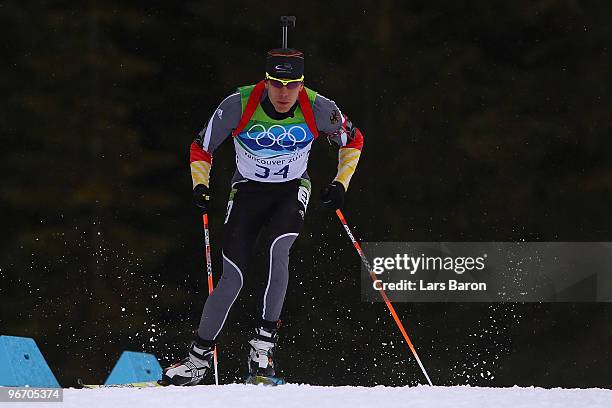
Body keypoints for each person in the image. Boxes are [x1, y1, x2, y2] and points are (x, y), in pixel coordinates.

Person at [162, 47, 364, 386]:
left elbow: (353, 141)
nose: (284, 93)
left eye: (292, 84)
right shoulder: (238, 104)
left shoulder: (319, 108)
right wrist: (200, 185)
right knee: (234, 276)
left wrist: (340, 183)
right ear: (266, 80)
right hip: (246, 193)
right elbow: (201, 147)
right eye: (277, 83)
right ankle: (197, 360)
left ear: (302, 83)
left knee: (278, 250)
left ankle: (263, 348)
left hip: (291, 190)